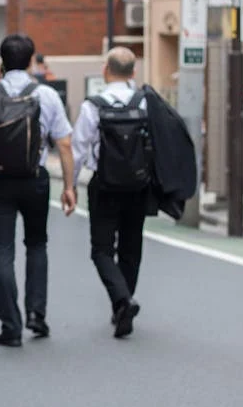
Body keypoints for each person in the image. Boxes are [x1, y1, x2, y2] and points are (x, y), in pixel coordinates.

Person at [0, 34, 76, 348]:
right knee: (37, 244)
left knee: (2, 252)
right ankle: (36, 315)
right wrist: (68, 186)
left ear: (2, 61)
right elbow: (65, 143)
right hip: (35, 178)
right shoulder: (47, 95)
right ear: (32, 61)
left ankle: (10, 326)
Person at [71, 47, 150, 339]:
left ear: (106, 70)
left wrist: (70, 184)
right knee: (131, 246)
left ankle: (122, 301)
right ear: (133, 73)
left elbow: (79, 148)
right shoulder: (145, 103)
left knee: (102, 249)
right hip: (138, 185)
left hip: (104, 184)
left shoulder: (94, 105)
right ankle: (123, 303)